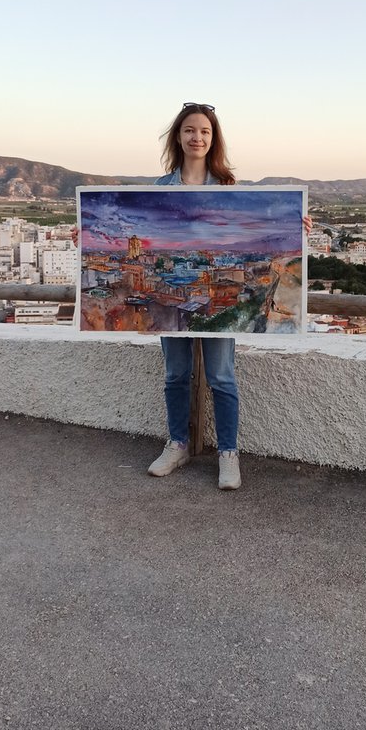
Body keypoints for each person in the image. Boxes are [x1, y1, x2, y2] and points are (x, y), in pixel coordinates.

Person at [146, 102, 243, 490]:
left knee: (222, 376)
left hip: (215, 295)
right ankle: (178, 444)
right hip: (176, 297)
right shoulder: (161, 190)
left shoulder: (229, 189)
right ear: (179, 136)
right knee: (175, 374)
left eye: (204, 131)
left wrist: (298, 224)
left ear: (213, 138)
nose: (196, 137)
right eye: (189, 130)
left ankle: (229, 453)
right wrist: (83, 237)